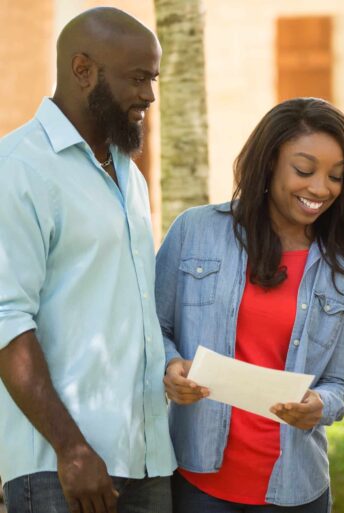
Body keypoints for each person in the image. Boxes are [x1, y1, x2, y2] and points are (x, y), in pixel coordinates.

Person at [156, 97, 344, 512]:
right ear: (268, 163)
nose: (320, 188)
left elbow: (339, 384)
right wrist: (169, 366)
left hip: (296, 489)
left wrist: (319, 406)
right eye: (304, 170)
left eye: (336, 177)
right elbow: (153, 329)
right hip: (198, 484)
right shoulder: (197, 231)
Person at [0, 7, 175, 513]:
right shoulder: (19, 170)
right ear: (83, 70)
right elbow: (7, 320)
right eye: (138, 78)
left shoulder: (131, 177)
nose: (150, 95)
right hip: (61, 468)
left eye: (154, 78)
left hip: (147, 461)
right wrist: (72, 448)